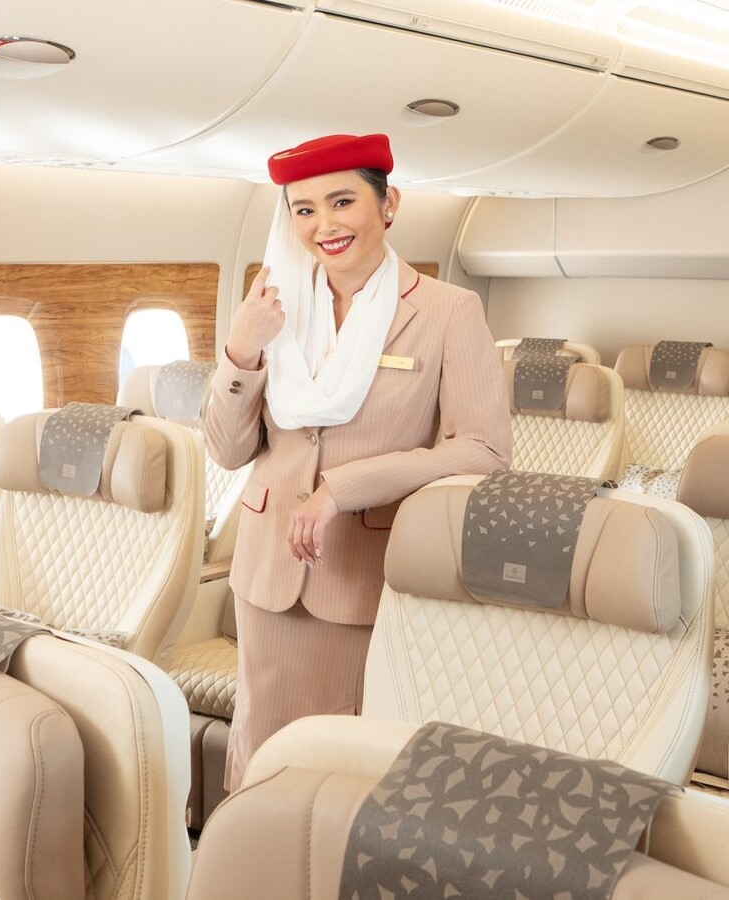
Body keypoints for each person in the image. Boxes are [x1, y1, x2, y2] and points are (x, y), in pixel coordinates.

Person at [204, 133, 511, 789]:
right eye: (304, 209)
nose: (324, 225)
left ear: (389, 204)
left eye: (342, 201)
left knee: (338, 768)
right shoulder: (273, 305)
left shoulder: (448, 311)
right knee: (259, 753)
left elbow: (483, 450)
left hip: (361, 573)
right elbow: (228, 451)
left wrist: (343, 488)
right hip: (266, 570)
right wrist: (241, 351)